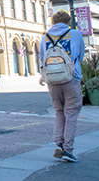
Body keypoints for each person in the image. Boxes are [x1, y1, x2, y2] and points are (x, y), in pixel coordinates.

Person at [39, 10, 85, 163]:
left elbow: (41, 58)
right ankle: (68, 149)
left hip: (52, 80)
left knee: (59, 111)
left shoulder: (45, 37)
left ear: (53, 22)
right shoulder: (75, 34)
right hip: (71, 78)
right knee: (71, 112)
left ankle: (58, 143)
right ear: (67, 21)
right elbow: (80, 55)